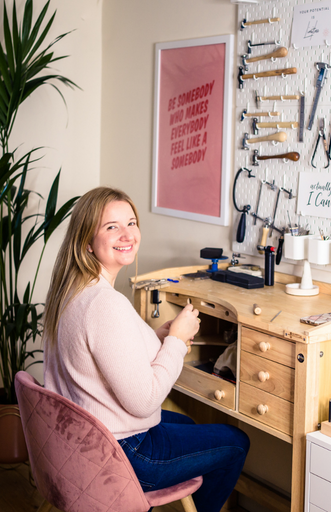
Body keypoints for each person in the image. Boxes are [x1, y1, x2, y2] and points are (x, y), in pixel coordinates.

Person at [43, 187, 249, 512]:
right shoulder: (105, 304)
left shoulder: (74, 290)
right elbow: (144, 402)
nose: (127, 235)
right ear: (86, 241)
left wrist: (159, 336)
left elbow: (106, 352)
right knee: (236, 442)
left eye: (131, 222)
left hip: (88, 439)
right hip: (124, 451)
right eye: (112, 226)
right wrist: (177, 343)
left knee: (191, 428)